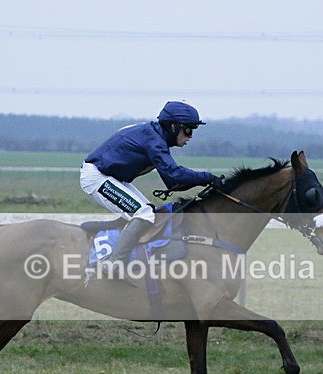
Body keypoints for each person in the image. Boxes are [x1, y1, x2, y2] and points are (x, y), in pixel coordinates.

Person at [80, 101, 221, 285]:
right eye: (188, 130)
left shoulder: (154, 135)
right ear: (173, 126)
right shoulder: (154, 141)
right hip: (97, 177)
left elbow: (172, 181)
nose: (191, 136)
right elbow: (175, 174)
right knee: (144, 214)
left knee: (150, 214)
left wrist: (203, 183)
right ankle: (114, 263)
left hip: (111, 176)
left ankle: (100, 229)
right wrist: (207, 177)